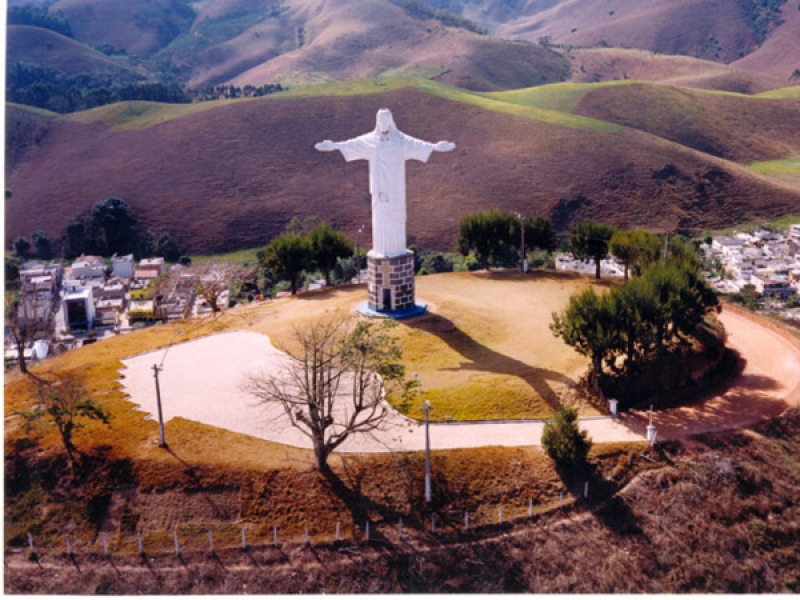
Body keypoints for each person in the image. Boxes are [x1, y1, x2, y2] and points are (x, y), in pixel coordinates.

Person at [316, 108, 455, 257]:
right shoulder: (370, 140)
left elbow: (418, 144)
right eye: (380, 120)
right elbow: (351, 144)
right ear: (377, 121)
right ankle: (382, 251)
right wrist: (334, 145)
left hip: (396, 190)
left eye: (385, 120)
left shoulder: (400, 140)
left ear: (390, 122)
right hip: (379, 190)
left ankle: (396, 251)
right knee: (381, 218)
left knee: (396, 218)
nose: (382, 123)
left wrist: (435, 147)